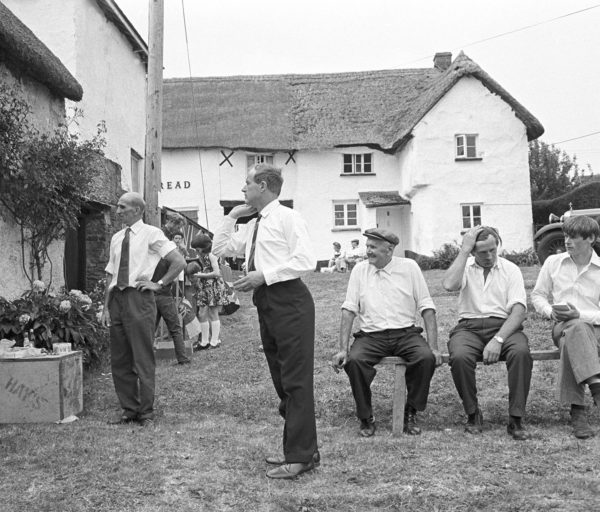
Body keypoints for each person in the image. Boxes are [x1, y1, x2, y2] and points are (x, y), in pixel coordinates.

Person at [213, 163, 319, 480]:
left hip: (291, 302)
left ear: (262, 185)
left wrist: (263, 275)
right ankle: (301, 449)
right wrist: (232, 216)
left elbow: (306, 260)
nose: (243, 189)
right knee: (282, 380)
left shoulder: (288, 217)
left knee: (296, 380)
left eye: (247, 183)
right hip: (267, 303)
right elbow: (220, 248)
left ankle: (300, 456)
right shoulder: (254, 223)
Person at [331, 228, 442, 436]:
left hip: (406, 334)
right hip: (371, 336)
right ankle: (366, 416)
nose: (368, 251)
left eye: (373, 247)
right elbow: (348, 310)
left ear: (389, 249)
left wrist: (434, 347)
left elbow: (427, 307)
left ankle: (411, 410)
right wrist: (342, 349)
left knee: (425, 358)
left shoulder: (409, 267)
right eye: (367, 246)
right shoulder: (359, 270)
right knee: (355, 362)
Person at [100, 192, 186, 426]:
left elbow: (179, 262)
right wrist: (106, 307)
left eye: (122, 207)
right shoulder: (117, 238)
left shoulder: (152, 233)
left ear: (137, 210)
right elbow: (111, 274)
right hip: (117, 299)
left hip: (139, 298)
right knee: (120, 358)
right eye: (117, 207)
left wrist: (158, 284)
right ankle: (129, 409)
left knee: (142, 356)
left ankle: (146, 412)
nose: (117, 211)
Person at [442, 225, 532, 440]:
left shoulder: (510, 269)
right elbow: (448, 285)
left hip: (504, 326)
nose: (490, 256)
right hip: (469, 327)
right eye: (483, 252)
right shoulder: (464, 266)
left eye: (493, 249)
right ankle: (473, 414)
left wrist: (498, 339)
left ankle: (516, 418)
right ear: (473, 251)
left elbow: (518, 311)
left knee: (520, 353)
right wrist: (463, 252)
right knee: (460, 356)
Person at [531, 215, 600, 439]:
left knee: (576, 333)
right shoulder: (553, 262)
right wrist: (550, 311)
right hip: (561, 326)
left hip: (594, 330)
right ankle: (596, 387)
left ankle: (578, 412)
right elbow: (538, 295)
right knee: (574, 329)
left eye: (574, 237)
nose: (567, 241)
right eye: (566, 236)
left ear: (591, 239)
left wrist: (579, 314)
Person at [190, 233, 230, 350]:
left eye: (197, 248)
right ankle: (204, 341)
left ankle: (215, 341)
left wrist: (200, 275)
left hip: (213, 286)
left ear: (203, 247)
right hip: (204, 286)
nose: (196, 251)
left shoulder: (212, 255)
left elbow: (217, 273)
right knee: (202, 313)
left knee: (213, 313)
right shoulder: (202, 256)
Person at [151, 250, 191, 366]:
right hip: (165, 296)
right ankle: (183, 359)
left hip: (151, 296)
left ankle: (148, 360)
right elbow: (173, 278)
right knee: (175, 329)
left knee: (150, 331)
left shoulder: (149, 260)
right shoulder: (169, 260)